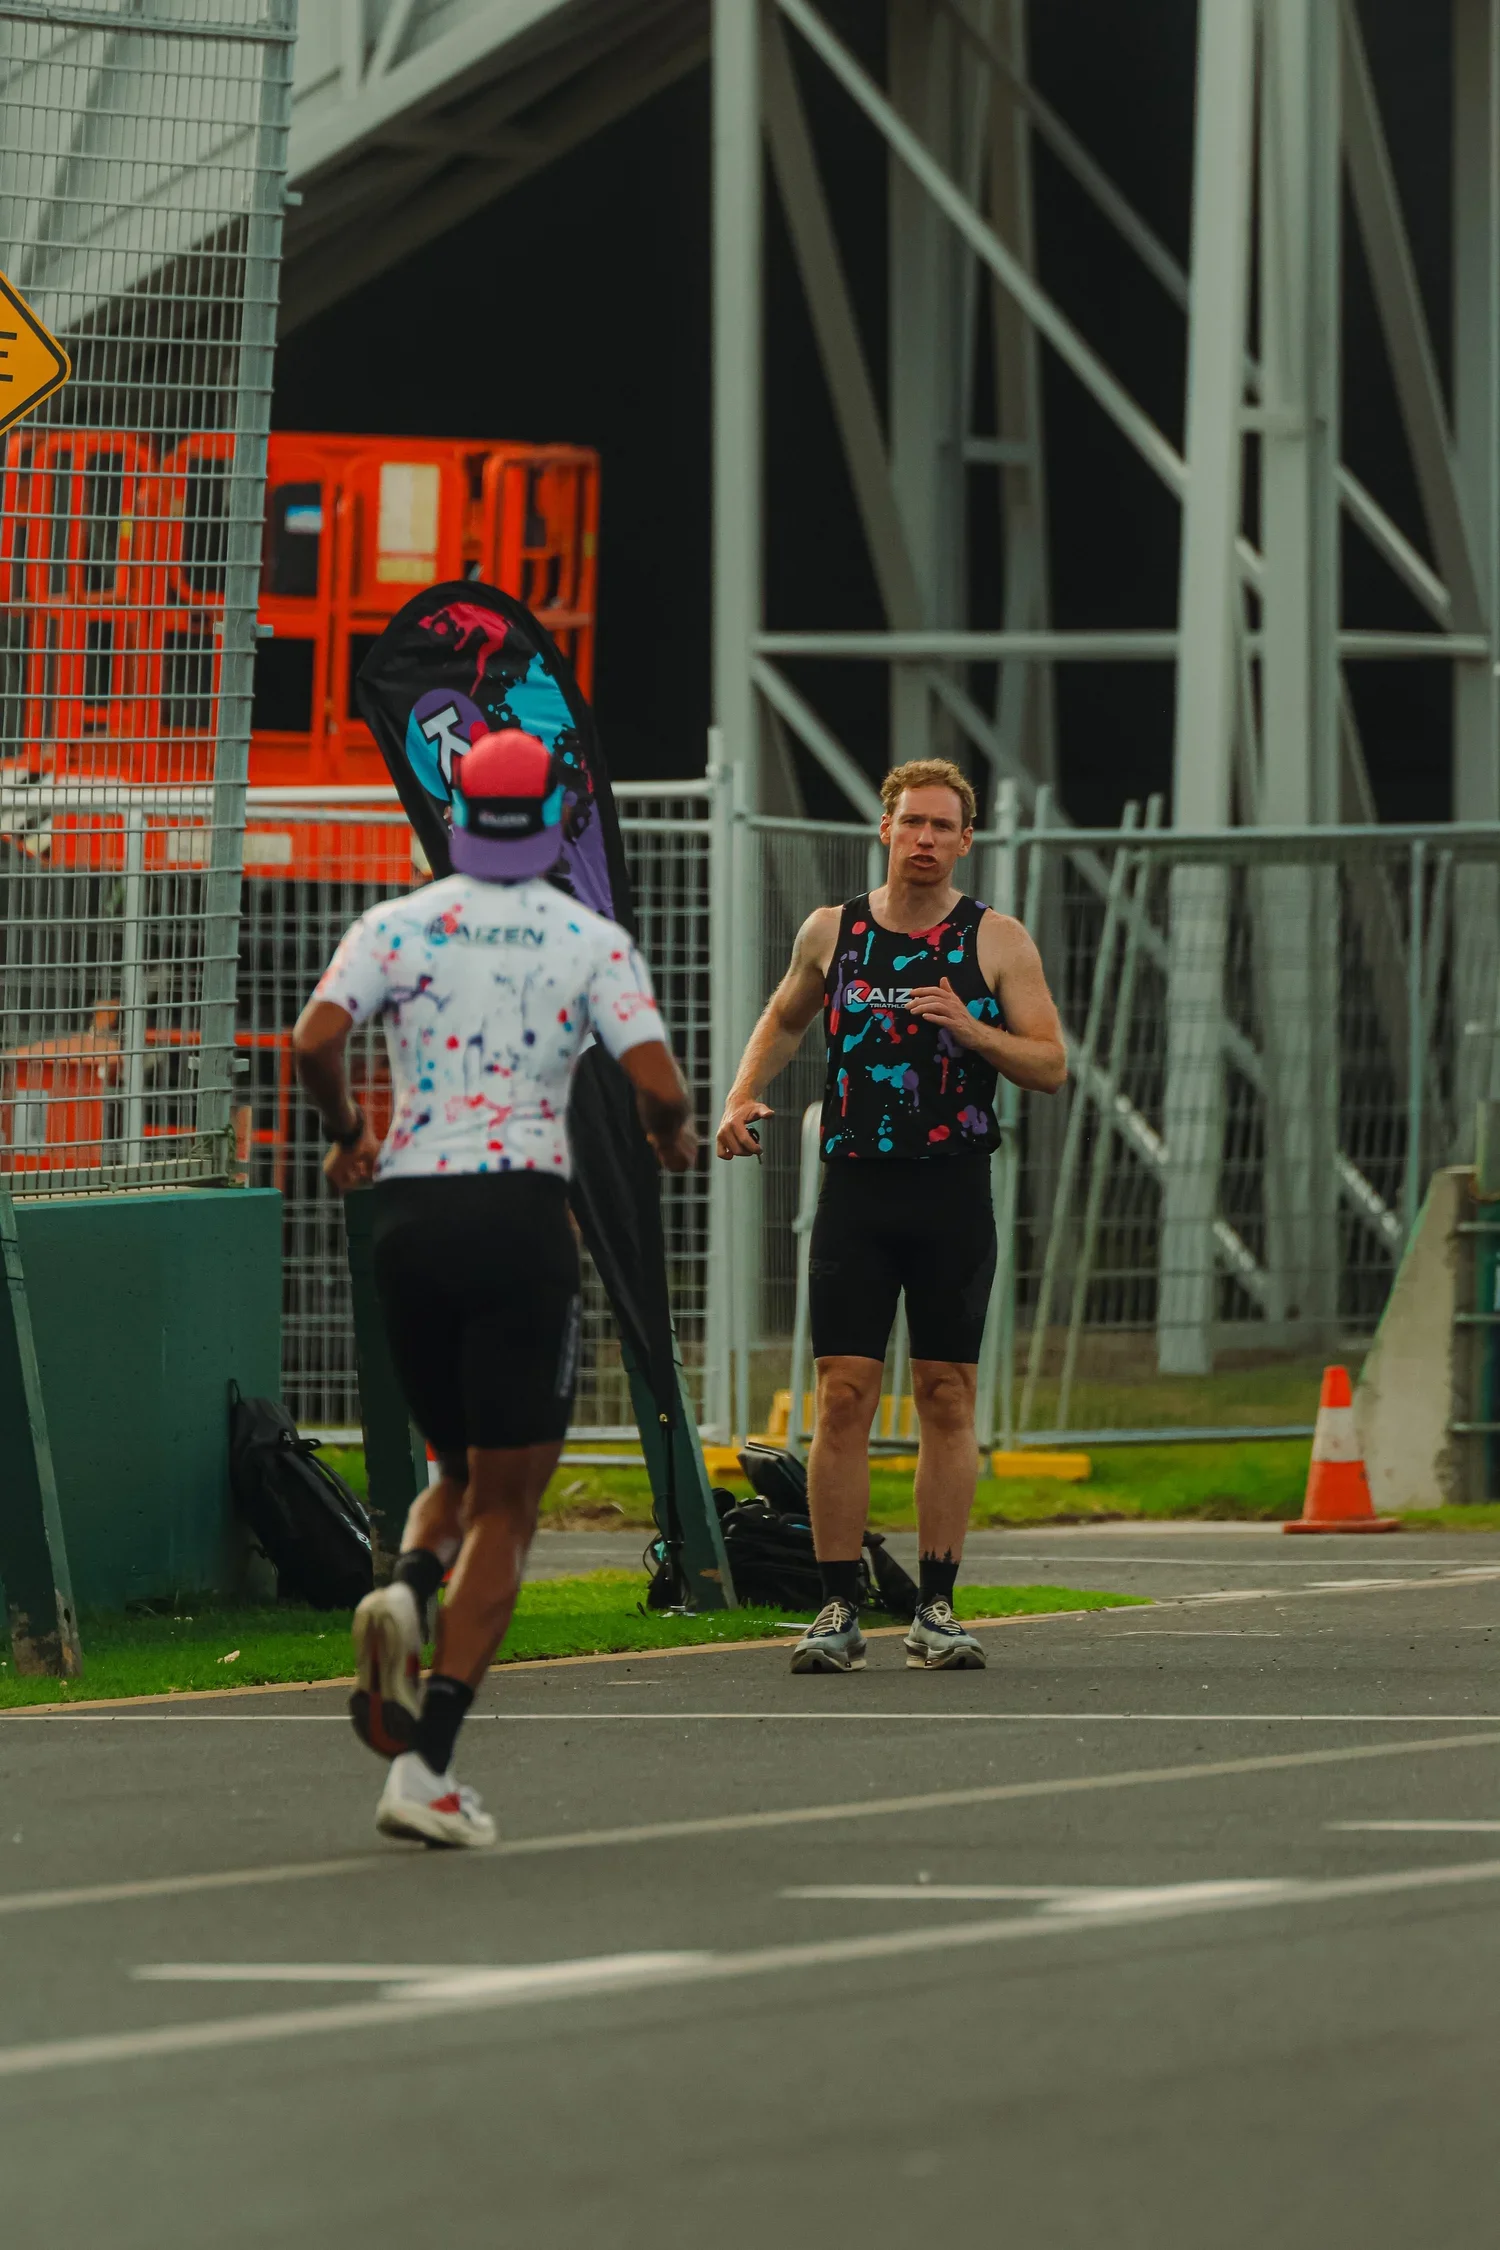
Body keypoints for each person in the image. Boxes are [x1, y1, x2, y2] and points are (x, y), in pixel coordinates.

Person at [294, 727, 696, 1846]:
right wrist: (669, 1135)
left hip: (411, 1216)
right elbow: (656, 1083)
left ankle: (407, 1591)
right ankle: (427, 1769)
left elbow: (313, 1038)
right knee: (511, 1511)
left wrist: (346, 1133)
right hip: (519, 1214)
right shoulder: (586, 937)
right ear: (560, 817)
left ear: (463, 807)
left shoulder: (399, 923)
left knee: (455, 1469)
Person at [716, 758, 1066, 1673]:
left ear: (964, 841)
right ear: (884, 829)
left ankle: (938, 1604)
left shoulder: (997, 940)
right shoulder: (836, 930)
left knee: (947, 1395)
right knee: (842, 1394)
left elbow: (1049, 1064)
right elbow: (788, 1017)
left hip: (950, 1190)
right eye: (911, 822)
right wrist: (744, 1094)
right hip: (856, 1187)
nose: (924, 839)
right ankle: (836, 1605)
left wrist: (969, 1026)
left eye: (942, 827)